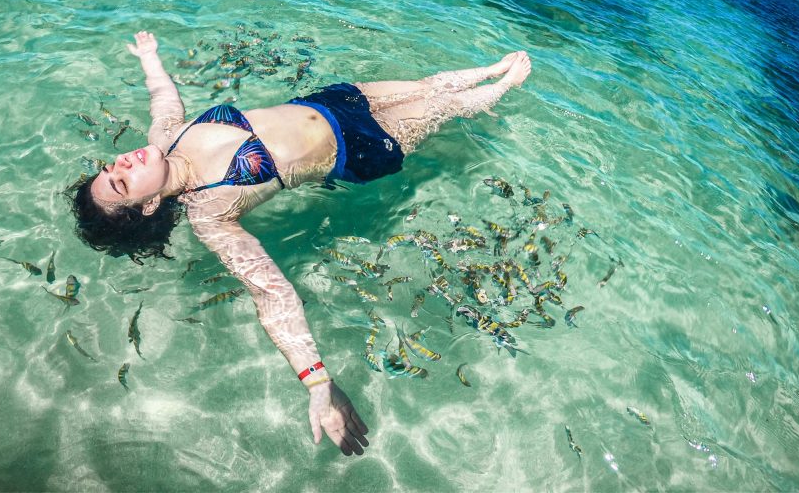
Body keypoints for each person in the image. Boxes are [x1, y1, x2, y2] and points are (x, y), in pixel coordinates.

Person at [72, 31, 531, 455]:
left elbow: (163, 100)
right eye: (121, 182)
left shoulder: (165, 138)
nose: (120, 164)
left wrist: (150, 59)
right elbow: (271, 293)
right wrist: (317, 383)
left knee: (426, 85)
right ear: (148, 207)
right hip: (361, 147)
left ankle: (492, 69)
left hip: (330, 101)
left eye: (110, 168)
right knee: (447, 108)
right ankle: (503, 90)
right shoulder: (209, 213)